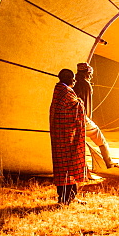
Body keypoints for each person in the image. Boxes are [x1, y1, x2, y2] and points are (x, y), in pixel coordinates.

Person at [49, 68, 87, 205]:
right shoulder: (65, 92)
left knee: (64, 167)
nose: (74, 80)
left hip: (61, 136)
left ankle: (70, 196)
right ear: (69, 79)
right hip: (66, 137)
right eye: (72, 78)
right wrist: (80, 103)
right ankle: (66, 198)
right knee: (67, 166)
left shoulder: (59, 91)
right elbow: (75, 108)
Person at [74, 62, 116, 171]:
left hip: (72, 119)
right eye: (89, 73)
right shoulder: (85, 84)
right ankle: (109, 163)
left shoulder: (73, 82)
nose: (91, 76)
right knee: (100, 139)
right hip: (83, 118)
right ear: (86, 73)